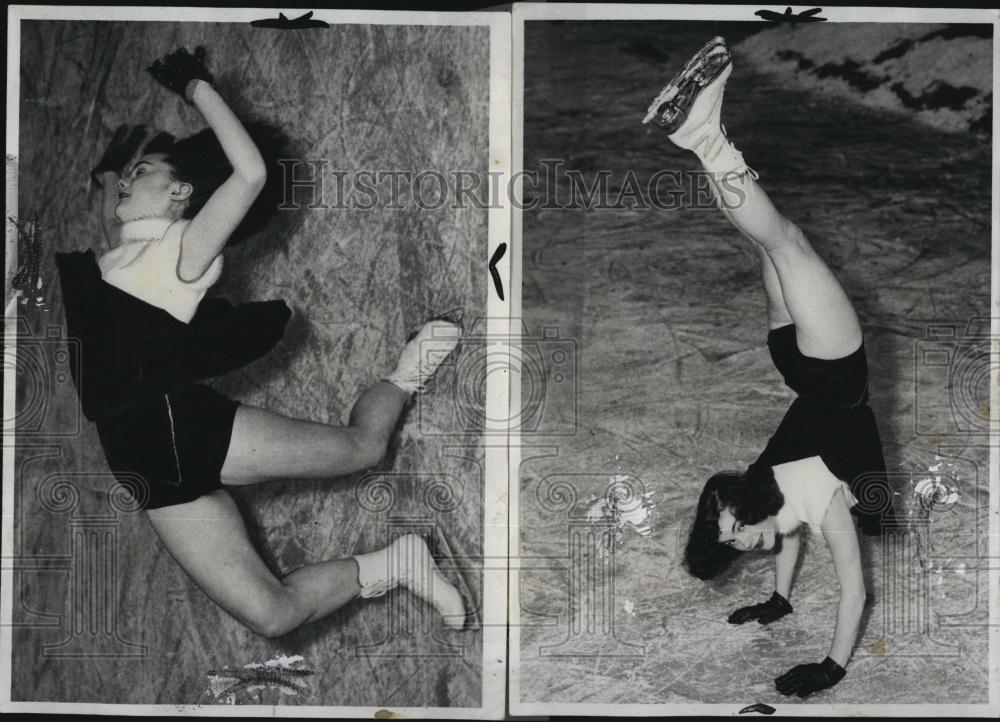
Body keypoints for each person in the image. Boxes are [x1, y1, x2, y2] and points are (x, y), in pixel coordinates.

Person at [55, 47, 467, 637]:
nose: (128, 180)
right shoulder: (116, 257)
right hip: (141, 464)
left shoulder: (183, 253)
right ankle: (396, 565)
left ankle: (407, 371)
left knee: (363, 451)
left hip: (182, 429)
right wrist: (111, 181)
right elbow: (109, 229)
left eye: (143, 173)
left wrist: (197, 86)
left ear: (182, 194)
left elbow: (249, 174)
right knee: (272, 616)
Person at [644, 37, 896, 698]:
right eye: (741, 541)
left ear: (745, 505)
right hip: (793, 358)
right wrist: (780, 602)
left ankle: (704, 137)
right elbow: (781, 534)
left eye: (739, 535)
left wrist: (832, 666)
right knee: (770, 235)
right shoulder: (766, 490)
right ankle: (707, 137)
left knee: (780, 237)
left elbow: (855, 590)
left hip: (828, 367)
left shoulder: (804, 495)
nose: (749, 546)